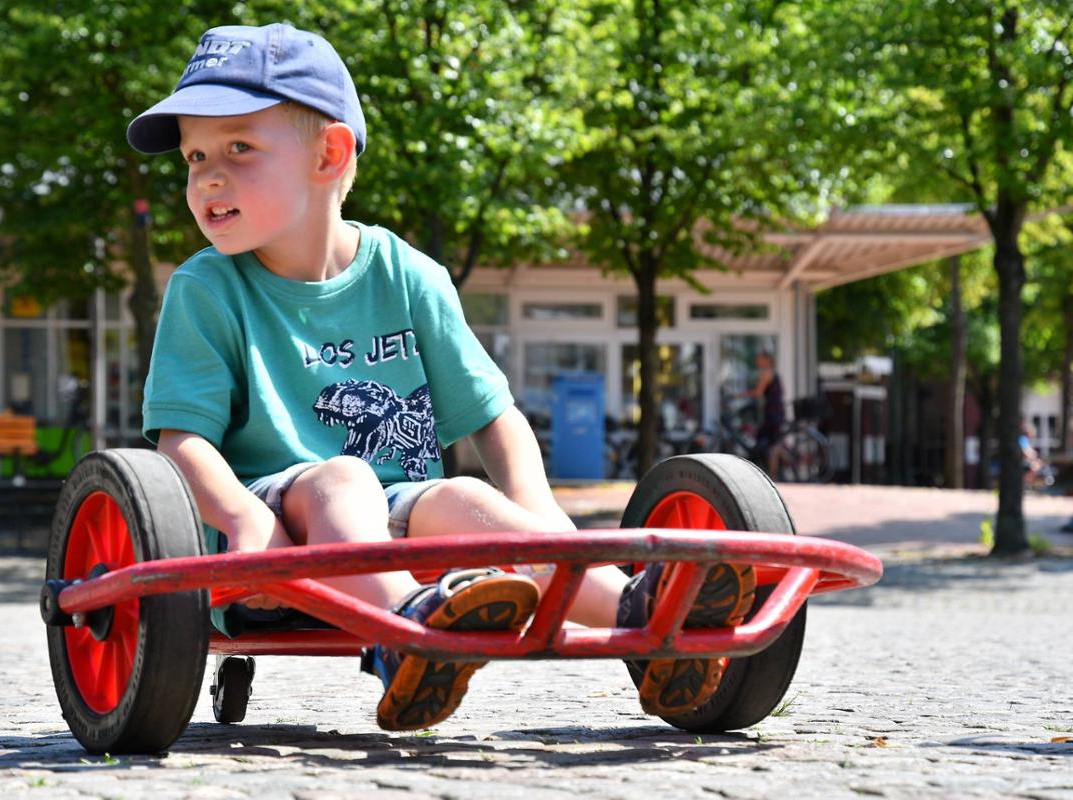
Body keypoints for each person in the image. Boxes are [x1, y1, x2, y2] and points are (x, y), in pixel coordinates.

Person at [127, 22, 755, 732]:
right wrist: (246, 520)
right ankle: (406, 636)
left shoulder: (409, 276)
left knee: (460, 494)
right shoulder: (207, 288)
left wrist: (539, 513)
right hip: (270, 537)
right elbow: (180, 444)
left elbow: (492, 415)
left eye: (239, 148)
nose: (207, 176)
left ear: (328, 155)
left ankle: (646, 623)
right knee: (345, 478)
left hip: (399, 523)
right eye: (194, 156)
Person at [740, 351, 786, 475]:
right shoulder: (774, 374)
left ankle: (773, 475)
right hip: (776, 411)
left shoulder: (766, 373)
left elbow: (758, 392)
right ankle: (786, 463)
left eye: (759, 359)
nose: (757, 362)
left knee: (772, 444)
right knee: (773, 442)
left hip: (772, 413)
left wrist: (739, 395)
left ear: (767, 360)